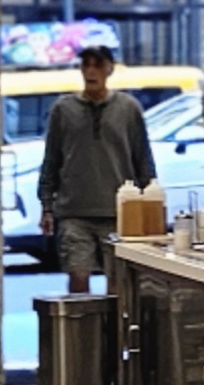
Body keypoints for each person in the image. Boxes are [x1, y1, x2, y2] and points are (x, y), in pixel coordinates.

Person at [40, 45, 151, 292]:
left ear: (110, 69)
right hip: (74, 212)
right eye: (86, 64)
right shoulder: (63, 109)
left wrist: (148, 203)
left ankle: (116, 320)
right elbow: (51, 159)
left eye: (98, 65)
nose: (91, 71)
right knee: (78, 276)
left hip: (119, 212)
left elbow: (143, 157)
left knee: (118, 282)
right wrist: (47, 205)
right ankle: (81, 319)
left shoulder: (128, 109)